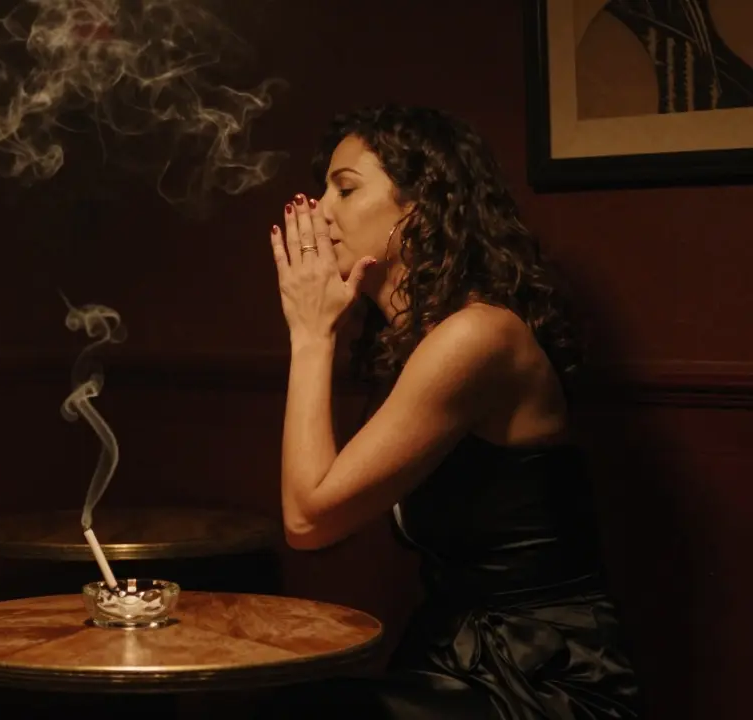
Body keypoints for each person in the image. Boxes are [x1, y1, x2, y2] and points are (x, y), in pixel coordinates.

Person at [265, 104, 643, 719]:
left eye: (345, 188)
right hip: (456, 663)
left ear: (420, 205)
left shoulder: (477, 339)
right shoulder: (422, 345)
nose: (319, 210)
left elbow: (308, 520)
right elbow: (315, 518)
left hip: (545, 681)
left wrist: (310, 337)